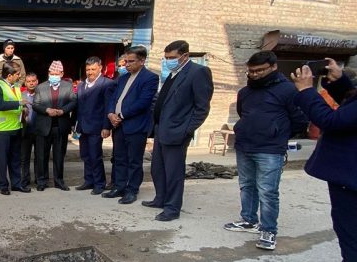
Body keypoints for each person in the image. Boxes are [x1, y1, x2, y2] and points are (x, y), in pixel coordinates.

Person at [223, 51, 308, 250]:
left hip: (270, 149)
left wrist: (276, 134)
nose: (254, 74)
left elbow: (299, 120)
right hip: (245, 145)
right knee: (246, 185)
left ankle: (268, 230)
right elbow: (243, 113)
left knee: (268, 191)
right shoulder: (245, 92)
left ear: (273, 67)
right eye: (251, 71)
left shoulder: (288, 90)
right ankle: (248, 220)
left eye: (260, 70)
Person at [291, 59, 357, 262]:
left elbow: (333, 121)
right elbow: (350, 104)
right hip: (347, 175)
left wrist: (307, 90)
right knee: (345, 227)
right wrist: (340, 81)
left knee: (352, 232)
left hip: (351, 174)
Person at [143, 40, 214, 221]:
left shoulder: (198, 72)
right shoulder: (173, 74)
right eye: (166, 58)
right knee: (158, 169)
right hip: (161, 130)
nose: (168, 61)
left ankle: (172, 208)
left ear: (185, 56)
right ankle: (160, 199)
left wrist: (186, 131)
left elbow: (202, 108)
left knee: (174, 173)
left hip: (177, 133)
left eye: (172, 58)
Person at [102, 46, 158, 204]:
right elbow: (114, 98)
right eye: (125, 61)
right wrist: (111, 114)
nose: (127, 64)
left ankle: (132, 190)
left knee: (134, 160)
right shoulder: (123, 78)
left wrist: (121, 115)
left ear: (142, 60)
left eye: (131, 61)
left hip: (136, 126)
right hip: (118, 126)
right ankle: (119, 187)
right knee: (119, 158)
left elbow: (143, 102)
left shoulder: (150, 78)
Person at [32, 61, 76, 191]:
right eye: (51, 73)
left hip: (60, 126)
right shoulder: (40, 87)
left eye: (56, 73)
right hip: (44, 126)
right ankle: (42, 181)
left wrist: (63, 111)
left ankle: (59, 180)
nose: (54, 75)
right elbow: (36, 104)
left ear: (62, 74)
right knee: (41, 155)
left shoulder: (68, 86)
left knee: (59, 155)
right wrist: (46, 110)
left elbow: (73, 101)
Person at [75, 56, 116, 195]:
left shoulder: (107, 84)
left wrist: (106, 126)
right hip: (83, 126)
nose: (90, 72)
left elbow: (107, 106)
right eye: (88, 69)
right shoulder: (81, 85)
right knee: (85, 155)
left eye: (93, 69)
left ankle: (99, 183)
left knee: (95, 156)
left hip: (97, 126)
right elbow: (79, 107)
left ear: (100, 68)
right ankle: (89, 181)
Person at [0, 62, 29, 195]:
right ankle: (3, 185)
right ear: (10, 75)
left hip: (16, 128)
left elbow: (18, 104)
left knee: (15, 159)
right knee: (2, 160)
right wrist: (18, 103)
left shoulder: (16, 87)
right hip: (1, 131)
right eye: (18, 74)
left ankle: (17, 184)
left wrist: (23, 109)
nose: (20, 76)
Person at [20, 72, 40, 189]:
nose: (31, 83)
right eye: (29, 81)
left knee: (39, 157)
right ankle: (25, 179)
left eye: (33, 81)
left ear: (37, 82)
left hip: (39, 130)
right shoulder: (21, 95)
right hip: (25, 130)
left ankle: (39, 179)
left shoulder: (41, 94)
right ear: (25, 83)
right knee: (24, 157)